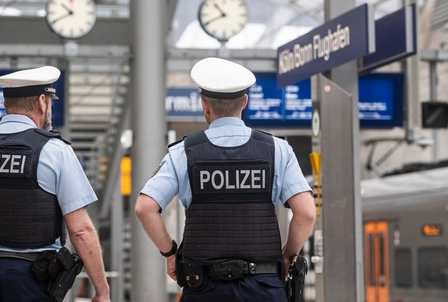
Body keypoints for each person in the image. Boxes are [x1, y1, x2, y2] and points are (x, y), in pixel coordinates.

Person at [135, 57, 316, 302]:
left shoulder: (183, 152)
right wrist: (288, 254)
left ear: (204, 105)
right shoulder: (277, 149)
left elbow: (145, 208)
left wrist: (170, 252)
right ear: (244, 102)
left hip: (204, 287)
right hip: (264, 287)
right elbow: (305, 213)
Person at [0, 66, 110, 302]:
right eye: (50, 101)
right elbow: (80, 231)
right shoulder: (55, 151)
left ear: (6, 104)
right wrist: (102, 291)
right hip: (32, 278)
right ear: (42, 102)